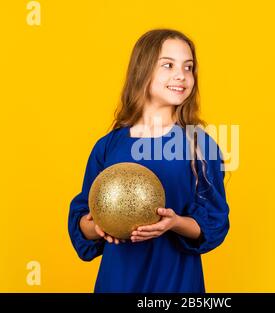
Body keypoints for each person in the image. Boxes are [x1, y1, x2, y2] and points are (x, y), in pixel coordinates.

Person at [68, 29, 230, 293]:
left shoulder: (199, 146)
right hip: (118, 282)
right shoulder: (109, 146)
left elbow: (213, 223)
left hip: (176, 284)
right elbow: (82, 223)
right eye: (168, 65)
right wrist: (98, 225)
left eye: (188, 68)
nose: (181, 75)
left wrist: (174, 223)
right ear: (142, 71)